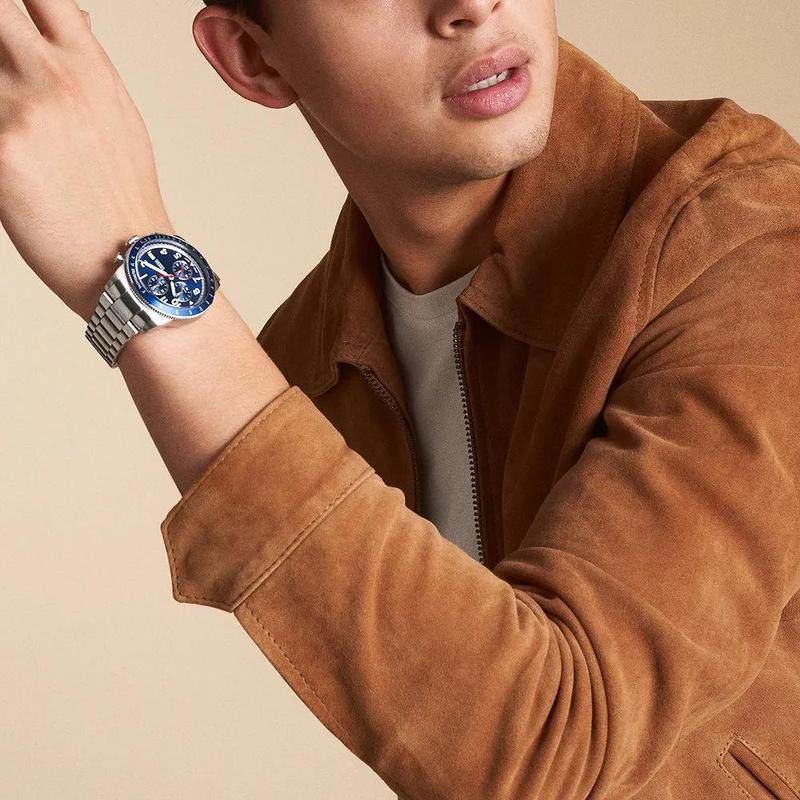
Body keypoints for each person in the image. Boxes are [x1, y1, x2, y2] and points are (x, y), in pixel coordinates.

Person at [5, 0, 800, 798]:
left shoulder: (746, 232)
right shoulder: (309, 368)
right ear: (254, 58)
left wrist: (137, 265)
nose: (470, 6)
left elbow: (558, 744)